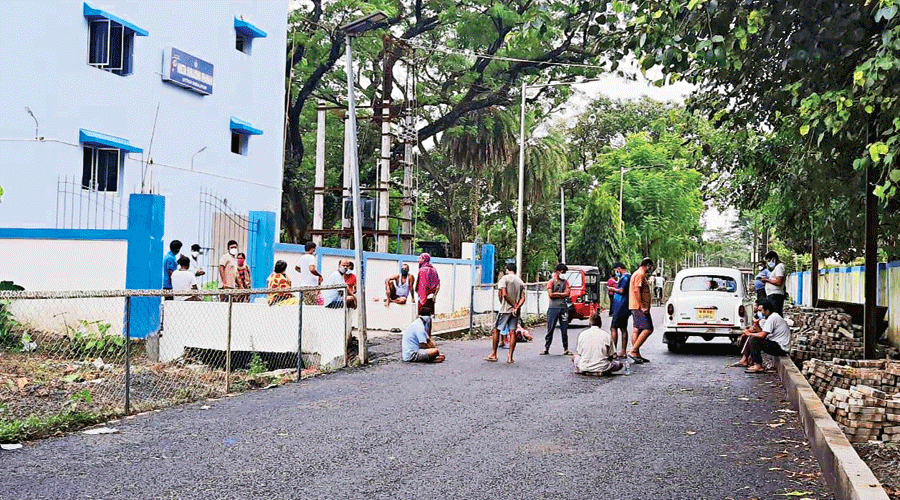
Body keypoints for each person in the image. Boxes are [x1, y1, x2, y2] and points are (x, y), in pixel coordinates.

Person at [485, 263, 525, 364]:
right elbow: (523, 297)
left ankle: (494, 354)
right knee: (512, 332)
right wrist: (517, 306)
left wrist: (512, 304)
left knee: (496, 330)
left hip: (505, 309)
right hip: (515, 311)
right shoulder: (520, 281)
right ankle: (510, 357)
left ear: (507, 270)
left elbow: (503, 294)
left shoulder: (504, 279)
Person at [744, 300, 792, 374]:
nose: (759, 313)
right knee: (753, 338)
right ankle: (749, 360)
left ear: (767, 310)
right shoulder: (772, 317)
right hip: (777, 344)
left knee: (754, 340)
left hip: (781, 347)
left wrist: (749, 334)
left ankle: (758, 365)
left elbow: (762, 335)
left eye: (760, 310)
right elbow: (763, 332)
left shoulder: (773, 318)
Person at [628, 257, 655, 364]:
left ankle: (636, 353)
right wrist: (642, 305)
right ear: (647, 265)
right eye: (650, 267)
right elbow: (637, 290)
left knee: (637, 329)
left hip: (635, 306)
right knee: (648, 328)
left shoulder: (637, 273)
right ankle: (633, 350)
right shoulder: (640, 274)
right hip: (639, 307)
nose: (650, 269)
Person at [541, 263, 572, 356]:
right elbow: (551, 294)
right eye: (563, 272)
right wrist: (562, 294)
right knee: (550, 329)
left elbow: (568, 293)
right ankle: (546, 348)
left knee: (564, 329)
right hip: (553, 308)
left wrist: (556, 294)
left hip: (563, 308)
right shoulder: (551, 282)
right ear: (558, 272)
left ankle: (566, 348)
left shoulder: (566, 282)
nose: (564, 274)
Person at [730, 301, 766, 368]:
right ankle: (745, 358)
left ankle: (748, 360)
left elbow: (763, 333)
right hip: (763, 335)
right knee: (747, 336)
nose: (759, 311)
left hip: (769, 339)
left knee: (752, 338)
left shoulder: (766, 320)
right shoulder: (757, 318)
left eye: (760, 310)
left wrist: (751, 332)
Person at [609, 262, 632, 359]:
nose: (615, 272)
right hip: (622, 305)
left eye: (615, 270)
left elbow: (622, 290)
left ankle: (615, 351)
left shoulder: (626, 277)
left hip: (621, 306)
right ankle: (622, 351)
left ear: (618, 268)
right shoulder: (625, 277)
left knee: (614, 327)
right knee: (623, 328)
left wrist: (612, 289)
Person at [761, 251, 786, 315]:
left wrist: (766, 280)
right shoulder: (777, 268)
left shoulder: (779, 267)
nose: (769, 262)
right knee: (773, 314)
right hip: (773, 294)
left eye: (769, 260)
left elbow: (778, 281)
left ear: (773, 259)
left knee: (776, 314)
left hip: (776, 295)